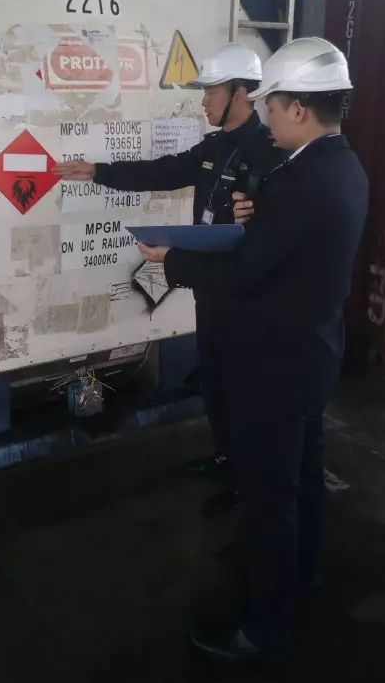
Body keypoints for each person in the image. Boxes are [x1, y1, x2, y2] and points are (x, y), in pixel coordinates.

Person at [138, 37, 368, 663]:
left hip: (273, 367)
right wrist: (253, 218)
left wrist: (171, 259)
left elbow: (248, 270)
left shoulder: (302, 181)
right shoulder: (342, 167)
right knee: (303, 480)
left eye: (272, 106)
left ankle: (265, 630)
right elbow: (287, 252)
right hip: (312, 354)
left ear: (298, 108)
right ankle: (301, 578)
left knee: (269, 499)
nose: (267, 117)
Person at [54, 44, 286, 504]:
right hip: (210, 286)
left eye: (212, 91)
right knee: (215, 379)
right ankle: (226, 457)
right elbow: (160, 172)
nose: (204, 100)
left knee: (245, 387)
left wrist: (261, 218)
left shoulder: (270, 152)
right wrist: (97, 171)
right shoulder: (214, 147)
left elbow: (282, 230)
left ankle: (251, 477)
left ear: (241, 94)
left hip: (247, 295)